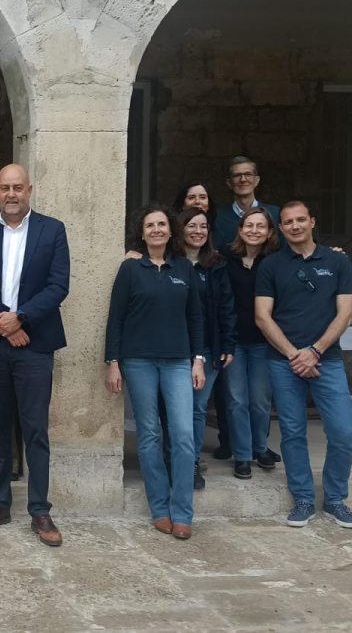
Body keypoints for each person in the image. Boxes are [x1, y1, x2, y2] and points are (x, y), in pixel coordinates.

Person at [0, 164, 70, 547]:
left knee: (36, 429)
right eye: (5, 188)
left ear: (29, 190)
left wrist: (20, 318)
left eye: (18, 188)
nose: (11, 194)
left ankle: (40, 509)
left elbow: (59, 286)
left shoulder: (51, 230)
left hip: (35, 345)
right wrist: (3, 322)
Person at [105, 204, 205, 540]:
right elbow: (115, 317)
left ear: (170, 230)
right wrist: (113, 362)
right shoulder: (131, 269)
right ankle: (159, 508)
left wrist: (198, 359)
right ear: (143, 232)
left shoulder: (184, 269)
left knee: (183, 435)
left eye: (162, 224)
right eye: (151, 225)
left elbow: (196, 318)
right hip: (138, 361)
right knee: (148, 434)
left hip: (178, 360)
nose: (157, 230)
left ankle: (182, 512)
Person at [255, 200, 352, 529]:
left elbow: (345, 312)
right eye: (287, 222)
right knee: (293, 433)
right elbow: (262, 316)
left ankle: (336, 498)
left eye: (300, 220)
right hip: (284, 364)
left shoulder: (338, 262)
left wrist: (315, 351)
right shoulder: (270, 266)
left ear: (312, 221)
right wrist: (295, 354)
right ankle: (304, 500)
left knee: (343, 432)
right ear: (280, 229)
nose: (294, 226)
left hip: (328, 361)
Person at [174, 207, 236, 489]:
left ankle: (192, 462)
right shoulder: (170, 261)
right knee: (174, 409)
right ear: (181, 229)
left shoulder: (216, 265)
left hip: (208, 348)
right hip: (174, 347)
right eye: (192, 226)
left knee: (197, 409)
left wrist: (228, 343)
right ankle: (172, 458)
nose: (198, 231)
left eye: (203, 226)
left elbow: (227, 307)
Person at [222, 208, 279, 478]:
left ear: (269, 232)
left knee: (260, 400)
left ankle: (260, 448)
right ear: (240, 229)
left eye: (260, 226)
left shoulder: (276, 262)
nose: (254, 230)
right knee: (236, 399)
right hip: (233, 341)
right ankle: (242, 455)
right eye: (249, 225)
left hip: (264, 342)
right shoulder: (225, 258)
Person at [213, 156, 281, 253]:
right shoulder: (217, 217)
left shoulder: (275, 214)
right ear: (229, 183)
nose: (243, 179)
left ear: (257, 180)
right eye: (237, 175)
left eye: (248, 174)